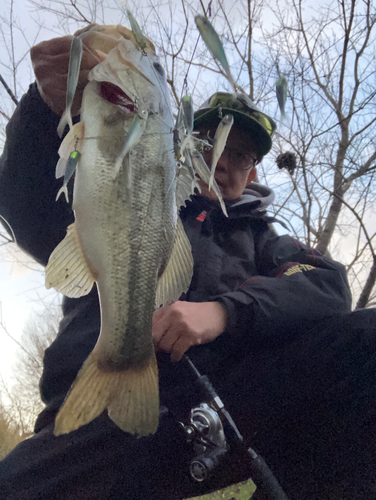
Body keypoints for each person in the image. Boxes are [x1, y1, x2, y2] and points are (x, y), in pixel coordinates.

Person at [0, 30, 375, 500]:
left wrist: (223, 312)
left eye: (238, 153)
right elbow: (28, 209)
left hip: (225, 408)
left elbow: (329, 286)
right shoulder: (120, 178)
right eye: (210, 139)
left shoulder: (264, 240)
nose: (222, 160)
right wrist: (42, 111)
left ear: (252, 170)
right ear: (184, 141)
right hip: (95, 418)